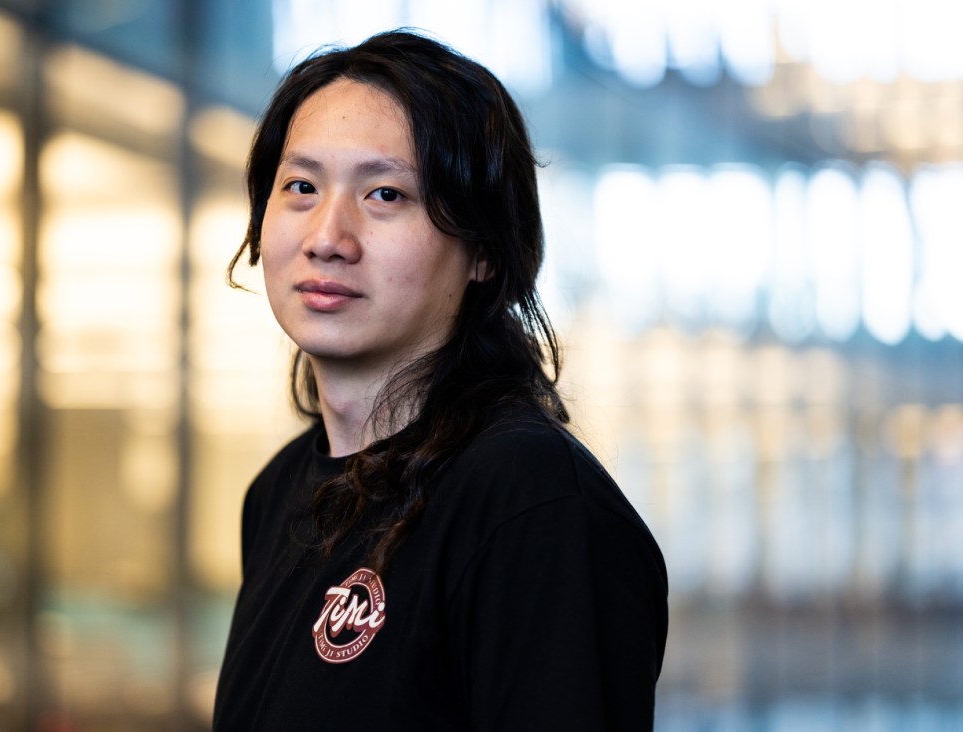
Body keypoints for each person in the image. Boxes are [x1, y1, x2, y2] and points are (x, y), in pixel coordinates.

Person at [214, 29, 668, 730]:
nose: (328, 235)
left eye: (386, 194)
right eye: (301, 186)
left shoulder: (531, 501)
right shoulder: (278, 494)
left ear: (484, 252)